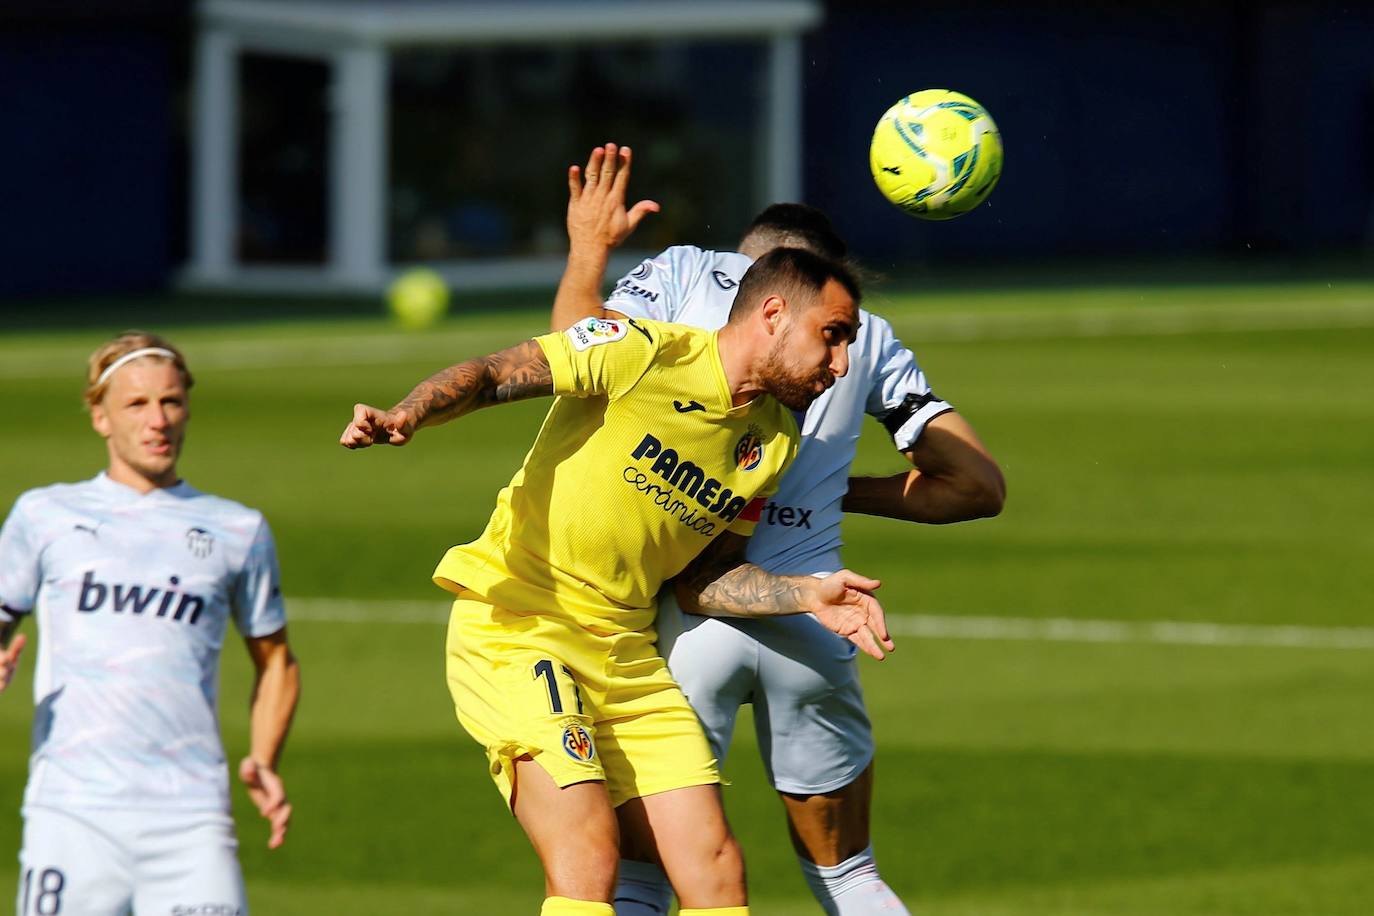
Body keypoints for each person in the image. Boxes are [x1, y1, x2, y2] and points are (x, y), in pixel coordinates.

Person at [340, 245, 893, 916]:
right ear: (773, 313)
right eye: (832, 337)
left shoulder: (772, 442)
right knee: (590, 855)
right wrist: (408, 413)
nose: (840, 365)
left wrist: (806, 594)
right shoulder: (645, 353)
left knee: (716, 873)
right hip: (518, 625)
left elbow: (703, 578)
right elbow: (495, 374)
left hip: (623, 656)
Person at [552, 144, 1006, 916]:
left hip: (681, 628)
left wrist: (588, 251)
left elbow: (576, 357)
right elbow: (976, 486)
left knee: (639, 881)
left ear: (757, 270)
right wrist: (830, 495)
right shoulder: (864, 332)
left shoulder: (686, 274)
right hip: (812, 618)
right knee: (848, 875)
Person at [0, 332, 300, 916]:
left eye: (171, 401)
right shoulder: (44, 516)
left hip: (191, 818)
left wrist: (263, 757)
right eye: (136, 404)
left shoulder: (237, 530)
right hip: (72, 810)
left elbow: (276, 661)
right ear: (99, 415)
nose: (157, 420)